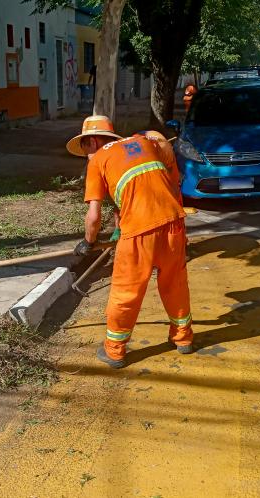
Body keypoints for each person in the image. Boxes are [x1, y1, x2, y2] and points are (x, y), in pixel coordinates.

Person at [66, 116, 193, 369]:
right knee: (175, 283)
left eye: (84, 148)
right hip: (174, 223)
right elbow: (134, 189)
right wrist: (118, 229)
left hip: (139, 233)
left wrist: (87, 243)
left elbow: (93, 216)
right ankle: (183, 339)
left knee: (127, 292)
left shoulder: (99, 160)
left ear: (92, 141)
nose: (85, 155)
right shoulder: (141, 143)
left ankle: (114, 351)